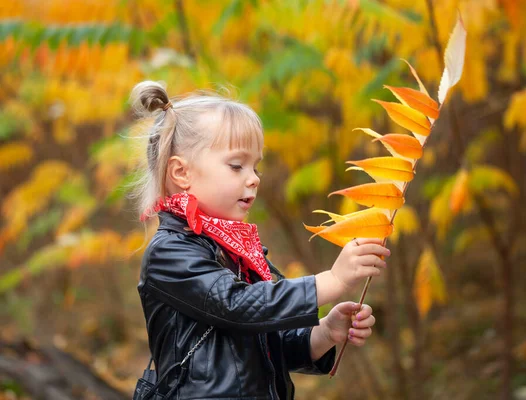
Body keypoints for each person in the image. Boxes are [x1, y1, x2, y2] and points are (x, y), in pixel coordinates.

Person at [130, 81, 390, 399]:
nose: (253, 177)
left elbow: (267, 347)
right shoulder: (170, 252)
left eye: (256, 166)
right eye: (237, 165)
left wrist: (324, 333)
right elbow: (237, 305)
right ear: (182, 173)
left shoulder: (238, 250)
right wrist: (332, 280)